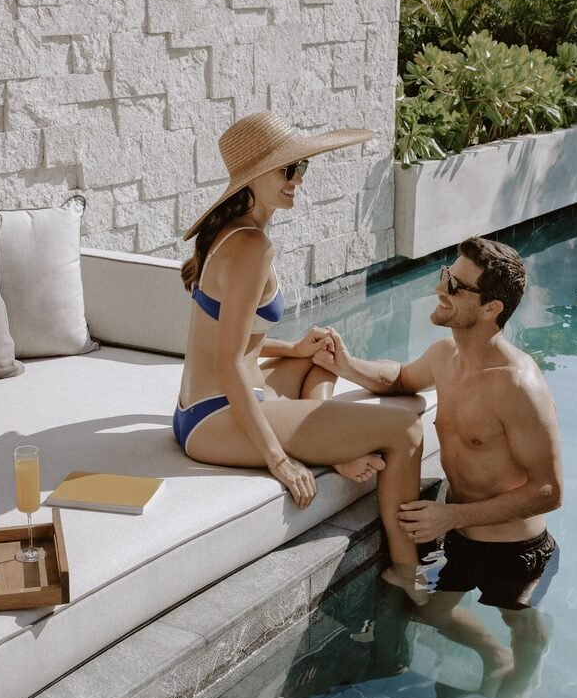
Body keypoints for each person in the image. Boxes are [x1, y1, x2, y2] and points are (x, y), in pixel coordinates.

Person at [176, 110, 425, 593]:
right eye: (288, 169)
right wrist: (279, 461)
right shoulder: (251, 248)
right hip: (218, 418)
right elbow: (228, 363)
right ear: (251, 179)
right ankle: (405, 570)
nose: (298, 180)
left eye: (302, 168)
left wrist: (293, 347)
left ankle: (330, 443)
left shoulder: (233, 235)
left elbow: (230, 340)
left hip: (199, 409)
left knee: (317, 356)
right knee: (408, 430)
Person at [311, 236, 562, 698]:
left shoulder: (518, 385)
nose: (438, 288)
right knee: (430, 614)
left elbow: (549, 490)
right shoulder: (447, 357)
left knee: (521, 625)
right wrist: (345, 364)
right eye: (445, 275)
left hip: (517, 549)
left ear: (491, 309)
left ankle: (521, 678)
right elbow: (400, 378)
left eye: (454, 285)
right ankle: (494, 657)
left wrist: (451, 518)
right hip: (462, 537)